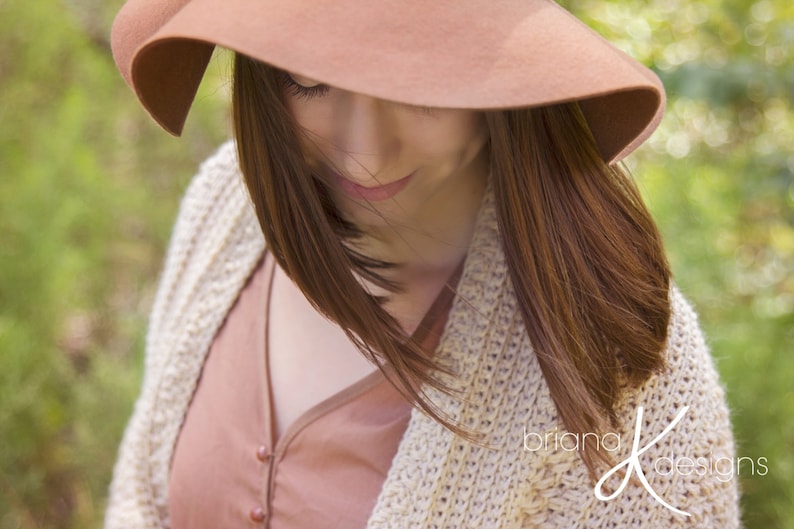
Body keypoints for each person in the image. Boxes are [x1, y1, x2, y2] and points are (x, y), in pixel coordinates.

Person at [105, 0, 740, 527]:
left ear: (506, 81)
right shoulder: (225, 209)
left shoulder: (614, 352)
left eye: (414, 86)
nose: (365, 150)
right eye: (310, 79)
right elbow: (141, 493)